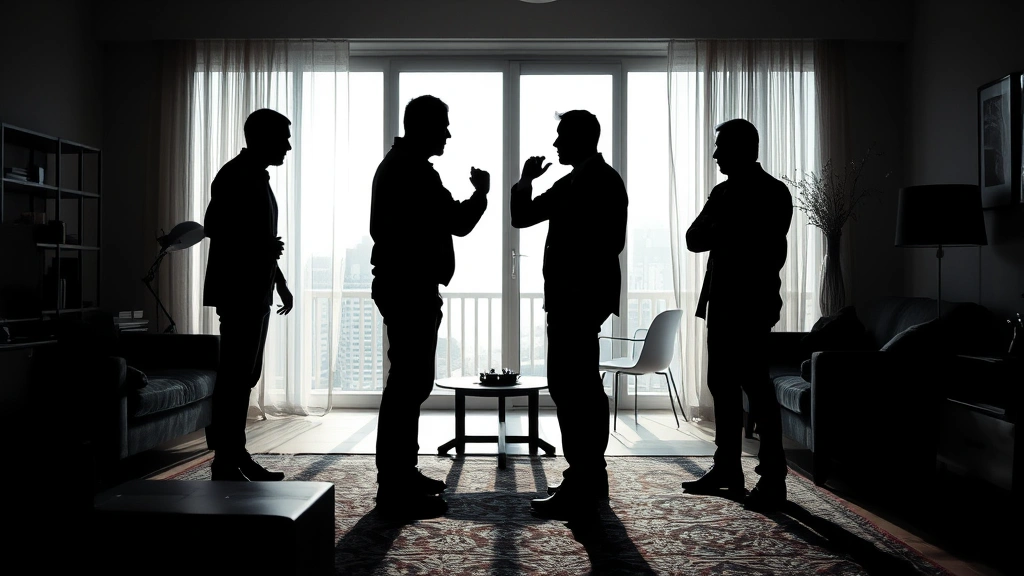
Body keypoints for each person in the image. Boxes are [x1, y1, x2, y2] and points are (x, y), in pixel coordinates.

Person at [369, 95, 490, 519]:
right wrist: (481, 195)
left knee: (408, 384)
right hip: (409, 288)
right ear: (422, 127)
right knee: (407, 386)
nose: (448, 134)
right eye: (442, 125)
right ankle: (394, 484)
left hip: (404, 285)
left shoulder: (401, 167)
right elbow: (456, 221)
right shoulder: (412, 171)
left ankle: (402, 473)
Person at [511, 110, 628, 521]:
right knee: (575, 388)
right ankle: (588, 477)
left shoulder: (597, 181)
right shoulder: (577, 180)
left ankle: (585, 479)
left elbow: (608, 242)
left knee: (573, 389)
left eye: (562, 136)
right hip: (572, 299)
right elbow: (521, 216)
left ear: (582, 139)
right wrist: (526, 182)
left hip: (577, 300)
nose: (556, 144)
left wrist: (576, 286)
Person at [681, 118, 793, 510]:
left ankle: (773, 479)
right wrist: (730, 225)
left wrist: (724, 224)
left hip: (753, 304)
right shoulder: (723, 191)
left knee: (758, 390)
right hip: (723, 302)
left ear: (744, 148)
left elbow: (763, 248)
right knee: (722, 386)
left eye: (721, 147)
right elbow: (694, 239)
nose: (714, 155)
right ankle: (726, 468)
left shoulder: (773, 192)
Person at [202, 108, 294, 482]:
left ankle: (234, 455)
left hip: (254, 288)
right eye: (283, 138)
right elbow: (215, 227)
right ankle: (227, 459)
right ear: (263, 138)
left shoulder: (254, 176)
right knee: (236, 377)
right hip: (240, 290)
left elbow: (263, 241)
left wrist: (280, 280)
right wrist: (263, 254)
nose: (288, 146)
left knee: (243, 376)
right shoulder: (235, 175)